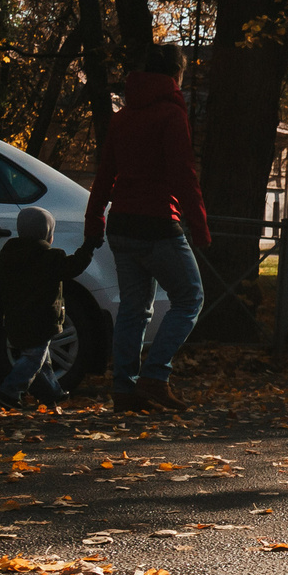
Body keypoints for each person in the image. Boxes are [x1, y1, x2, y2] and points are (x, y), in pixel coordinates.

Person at [85, 41, 210, 413]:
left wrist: (95, 221)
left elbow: (105, 173)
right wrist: (199, 225)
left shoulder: (122, 117)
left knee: (133, 309)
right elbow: (183, 173)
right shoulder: (171, 116)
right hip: (157, 223)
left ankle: (125, 388)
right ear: (176, 75)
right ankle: (155, 376)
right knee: (190, 298)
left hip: (122, 224)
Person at [0, 205, 98, 411]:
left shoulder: (9, 256)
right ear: (47, 234)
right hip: (41, 320)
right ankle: (8, 392)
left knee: (40, 358)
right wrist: (89, 247)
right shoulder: (50, 258)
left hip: (15, 318)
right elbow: (73, 266)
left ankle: (51, 392)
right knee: (33, 358)